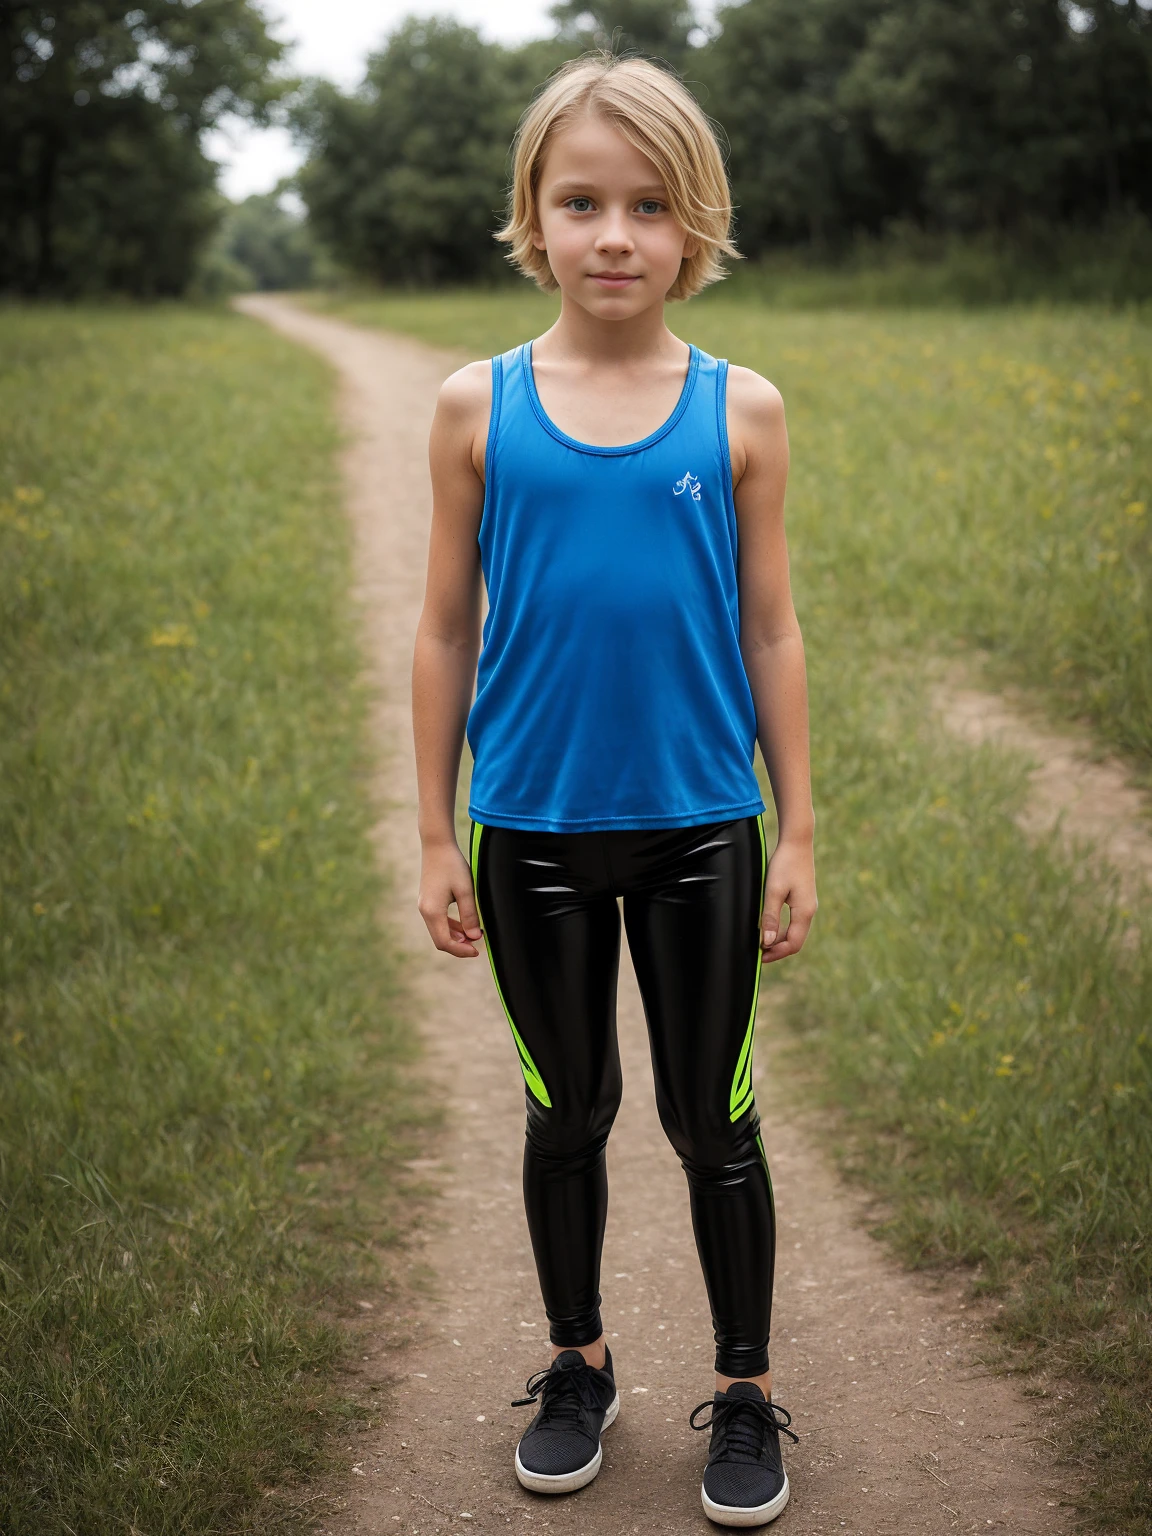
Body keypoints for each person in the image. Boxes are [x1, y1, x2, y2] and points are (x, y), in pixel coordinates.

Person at [412, 52, 817, 1529]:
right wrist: (430, 837)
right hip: (526, 830)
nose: (614, 236)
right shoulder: (476, 406)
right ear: (534, 211)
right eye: (582, 201)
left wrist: (802, 832)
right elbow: (445, 624)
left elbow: (770, 626)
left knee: (714, 1120)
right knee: (566, 1110)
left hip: (705, 821)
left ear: (693, 224)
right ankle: (578, 1365)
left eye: (649, 205)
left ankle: (751, 1391)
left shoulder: (742, 411)